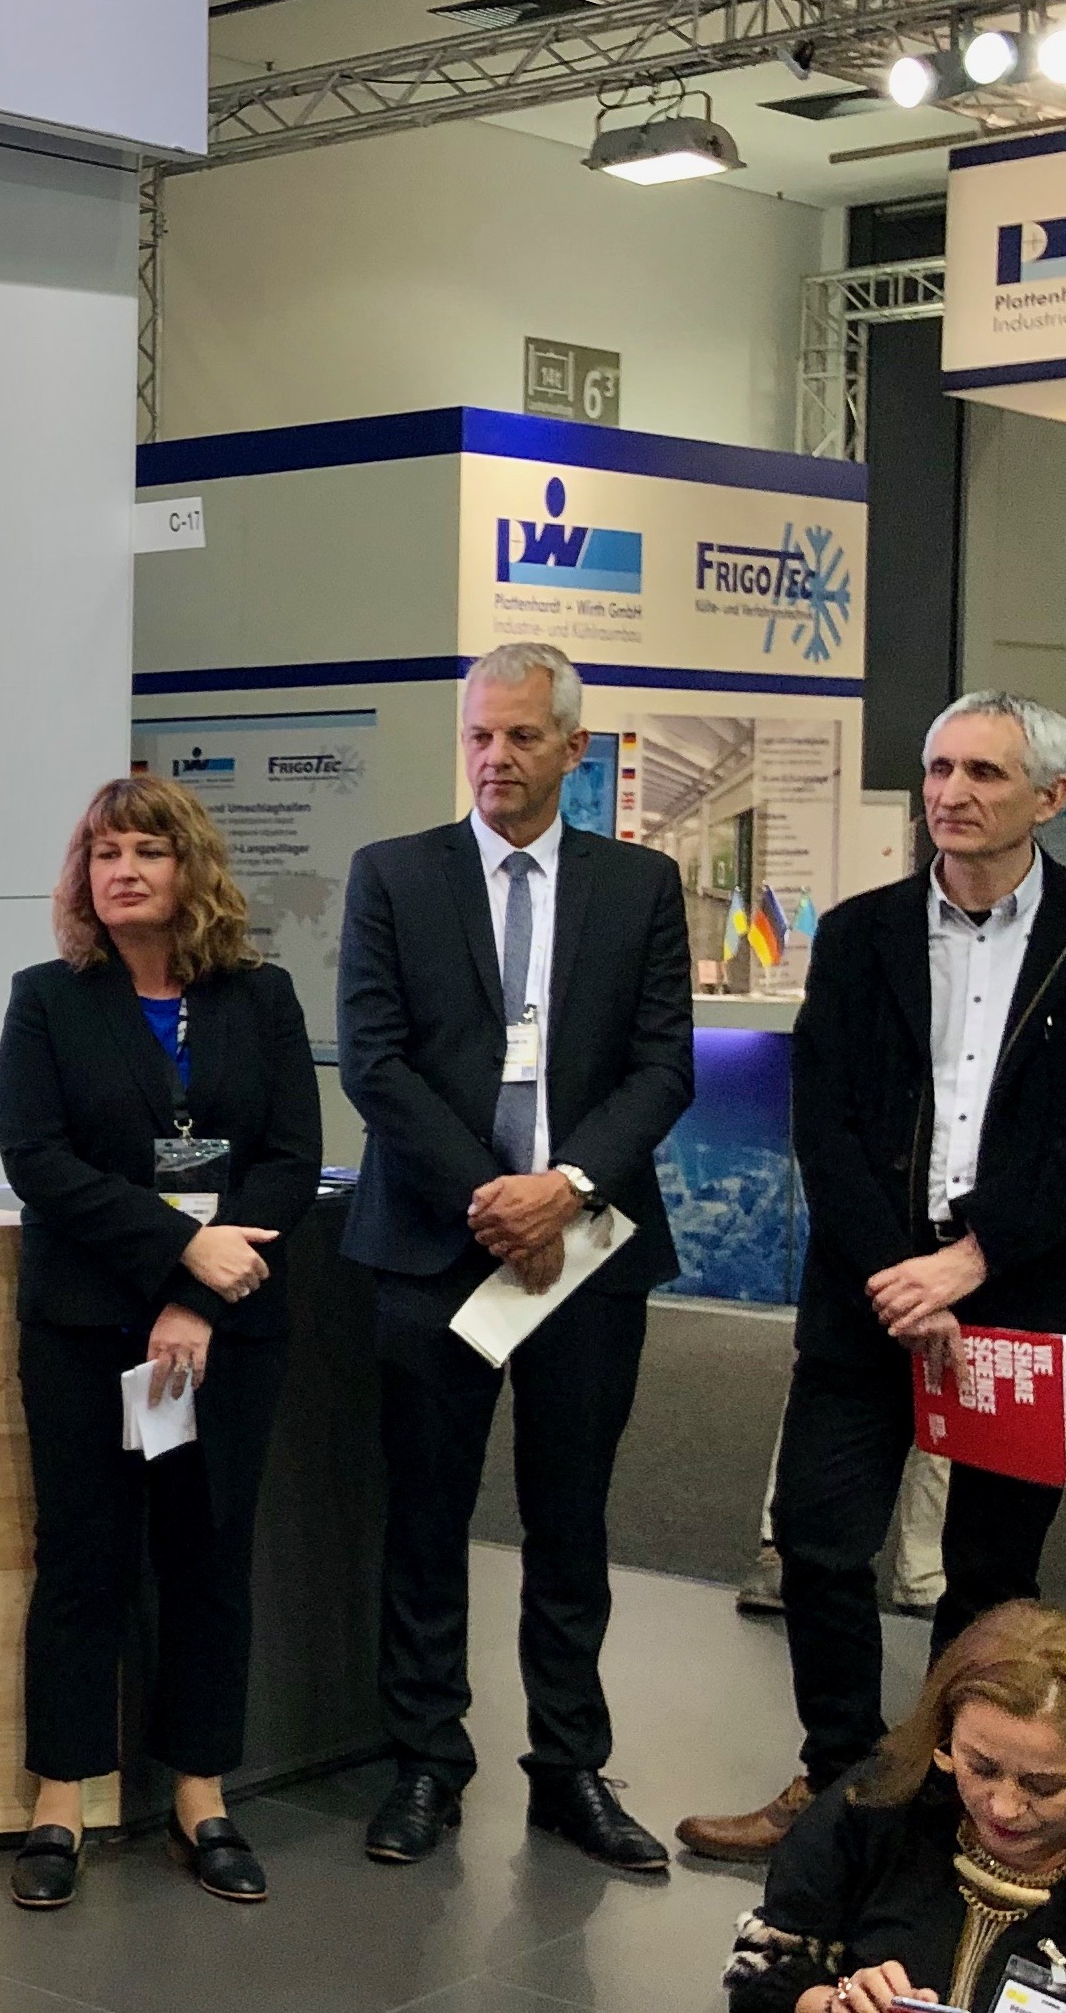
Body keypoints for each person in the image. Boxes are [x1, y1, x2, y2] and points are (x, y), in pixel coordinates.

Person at [683, 692, 1066, 1864]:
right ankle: (840, 1780)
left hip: (1031, 1290)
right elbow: (826, 1124)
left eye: (985, 773)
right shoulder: (864, 931)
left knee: (994, 1573)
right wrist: (901, 1276)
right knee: (817, 1540)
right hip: (873, 1294)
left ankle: (953, 1794)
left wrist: (972, 1257)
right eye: (940, 768)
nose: (951, 793)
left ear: (1050, 796)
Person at [335, 641, 692, 1872]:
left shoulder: (639, 884)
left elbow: (663, 1065)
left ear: (574, 749)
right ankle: (426, 1759)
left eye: (523, 736)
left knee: (571, 1515)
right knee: (426, 1514)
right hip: (434, 1244)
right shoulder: (394, 874)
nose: (495, 756)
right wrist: (491, 1196)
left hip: (585, 1249)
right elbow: (374, 1057)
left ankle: (570, 1765)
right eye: (480, 734)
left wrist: (564, 1187)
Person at [0, 775, 321, 1912]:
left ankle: (200, 1791)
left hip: (227, 1332)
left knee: (207, 1556)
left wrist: (200, 1301)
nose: (123, 870)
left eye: (147, 850)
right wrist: (179, 1254)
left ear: (192, 868)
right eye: (104, 853)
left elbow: (289, 1159)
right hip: (85, 1328)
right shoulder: (48, 999)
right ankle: (60, 1796)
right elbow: (38, 1161)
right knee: (81, 1557)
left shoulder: (260, 998)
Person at [722, 1601, 1066, 2013]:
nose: (1003, 1807)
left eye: (1044, 1786)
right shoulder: (878, 1804)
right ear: (944, 1735)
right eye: (980, 1766)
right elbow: (761, 1975)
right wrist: (832, 2004)